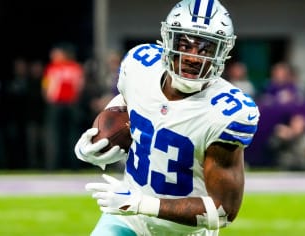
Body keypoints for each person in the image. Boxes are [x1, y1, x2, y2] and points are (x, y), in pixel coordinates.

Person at [74, 0, 260, 235]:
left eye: (206, 48)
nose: (193, 57)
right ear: (168, 40)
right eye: (185, 44)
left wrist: (141, 204)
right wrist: (96, 138)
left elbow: (223, 211)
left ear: (222, 52)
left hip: (183, 231)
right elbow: (126, 100)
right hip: (128, 220)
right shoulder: (141, 65)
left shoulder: (226, 112)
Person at [43, 43, 85, 170]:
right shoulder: (76, 67)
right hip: (72, 104)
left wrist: (48, 98)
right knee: (73, 135)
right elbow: (80, 86)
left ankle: (53, 165)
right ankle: (74, 164)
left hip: (57, 104)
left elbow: (47, 87)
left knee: (54, 135)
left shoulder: (53, 67)